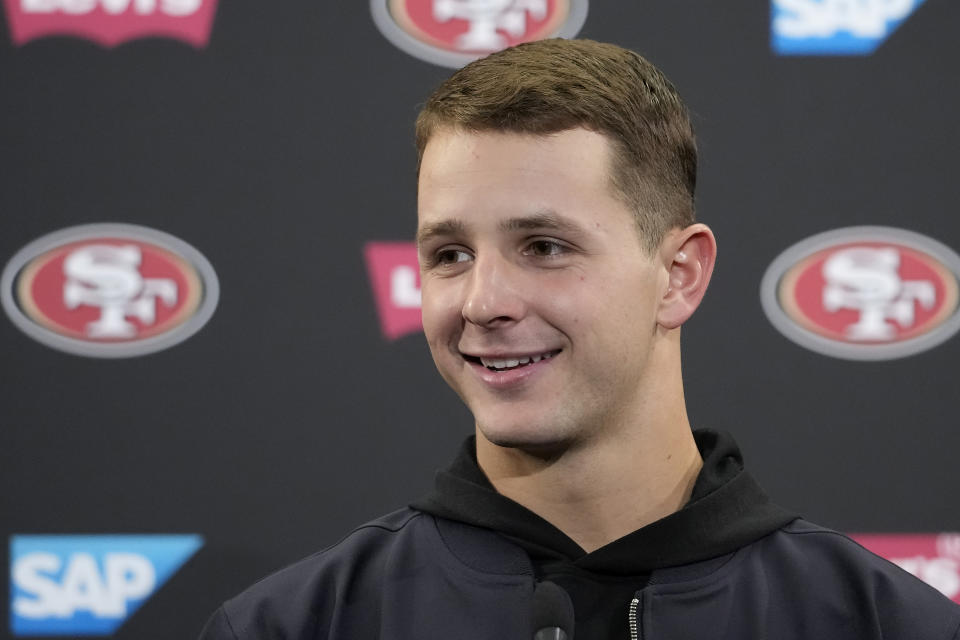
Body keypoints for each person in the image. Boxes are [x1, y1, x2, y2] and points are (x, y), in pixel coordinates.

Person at [199, 38, 960, 639]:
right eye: (450, 255)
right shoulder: (293, 625)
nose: (483, 301)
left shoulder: (883, 624)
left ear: (680, 275)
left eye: (545, 247)